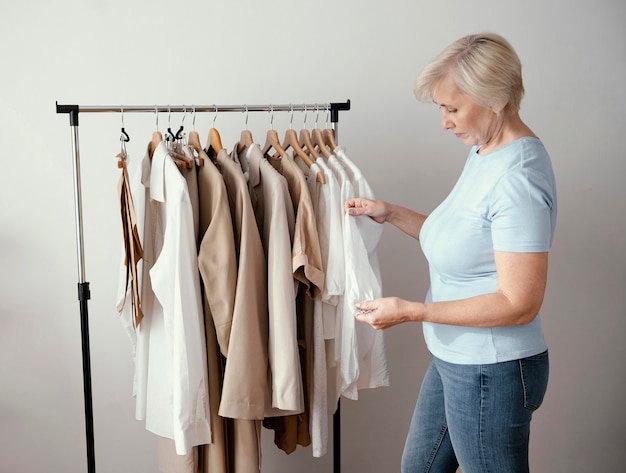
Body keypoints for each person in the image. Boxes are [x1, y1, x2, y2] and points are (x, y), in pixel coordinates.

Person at [345, 33, 557, 473]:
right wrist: (392, 213)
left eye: (452, 108)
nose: (444, 122)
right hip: (456, 358)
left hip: (492, 370)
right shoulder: (485, 151)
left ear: (495, 99)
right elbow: (467, 242)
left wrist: (412, 311)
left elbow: (519, 303)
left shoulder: (518, 179)